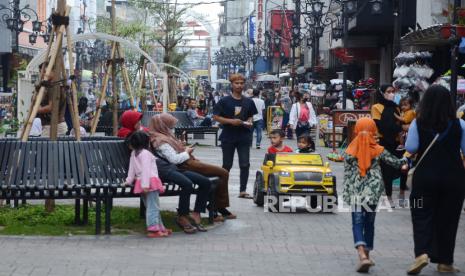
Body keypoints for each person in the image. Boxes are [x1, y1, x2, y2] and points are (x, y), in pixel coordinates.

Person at [405, 85, 465, 275]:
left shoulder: (417, 123)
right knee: (448, 219)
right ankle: (445, 262)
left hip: (425, 179)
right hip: (453, 180)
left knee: (421, 214)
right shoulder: (460, 125)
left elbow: (411, 147)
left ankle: (421, 253)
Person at [343, 118, 407, 273]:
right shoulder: (378, 149)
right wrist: (406, 160)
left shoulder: (349, 150)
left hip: (356, 192)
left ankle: (361, 255)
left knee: (357, 222)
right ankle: (367, 254)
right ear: (373, 131)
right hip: (372, 192)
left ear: (356, 131)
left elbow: (347, 172)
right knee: (369, 223)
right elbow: (397, 162)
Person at [149, 113, 236, 221]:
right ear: (163, 126)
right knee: (222, 173)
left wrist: (181, 146)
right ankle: (217, 208)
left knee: (218, 176)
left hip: (185, 163)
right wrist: (186, 151)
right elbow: (173, 159)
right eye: (170, 126)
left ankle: (216, 207)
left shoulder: (163, 135)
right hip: (184, 165)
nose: (172, 128)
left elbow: (171, 152)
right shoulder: (160, 140)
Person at [213, 74, 258, 199]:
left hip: (244, 136)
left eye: (241, 83)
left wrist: (249, 122)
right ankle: (222, 189)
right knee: (227, 164)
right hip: (228, 136)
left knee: (245, 164)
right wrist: (230, 121)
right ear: (231, 85)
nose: (239, 85)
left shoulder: (249, 101)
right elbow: (216, 116)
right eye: (236, 83)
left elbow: (251, 116)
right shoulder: (224, 101)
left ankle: (243, 190)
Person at [125, 131, 171, 238]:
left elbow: (131, 170)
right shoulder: (146, 154)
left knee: (150, 206)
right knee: (153, 206)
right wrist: (146, 185)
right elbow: (146, 170)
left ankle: (160, 227)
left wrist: (128, 180)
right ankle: (153, 229)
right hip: (150, 182)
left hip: (142, 182)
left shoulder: (134, 153)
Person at [371, 84, 403, 207]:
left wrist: (400, 128)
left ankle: (397, 194)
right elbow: (381, 125)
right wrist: (399, 127)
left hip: (396, 142)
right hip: (384, 141)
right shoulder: (376, 107)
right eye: (388, 91)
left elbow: (400, 122)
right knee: (387, 169)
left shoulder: (396, 107)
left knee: (400, 168)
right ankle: (388, 197)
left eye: (393, 91)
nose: (391, 94)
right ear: (382, 93)